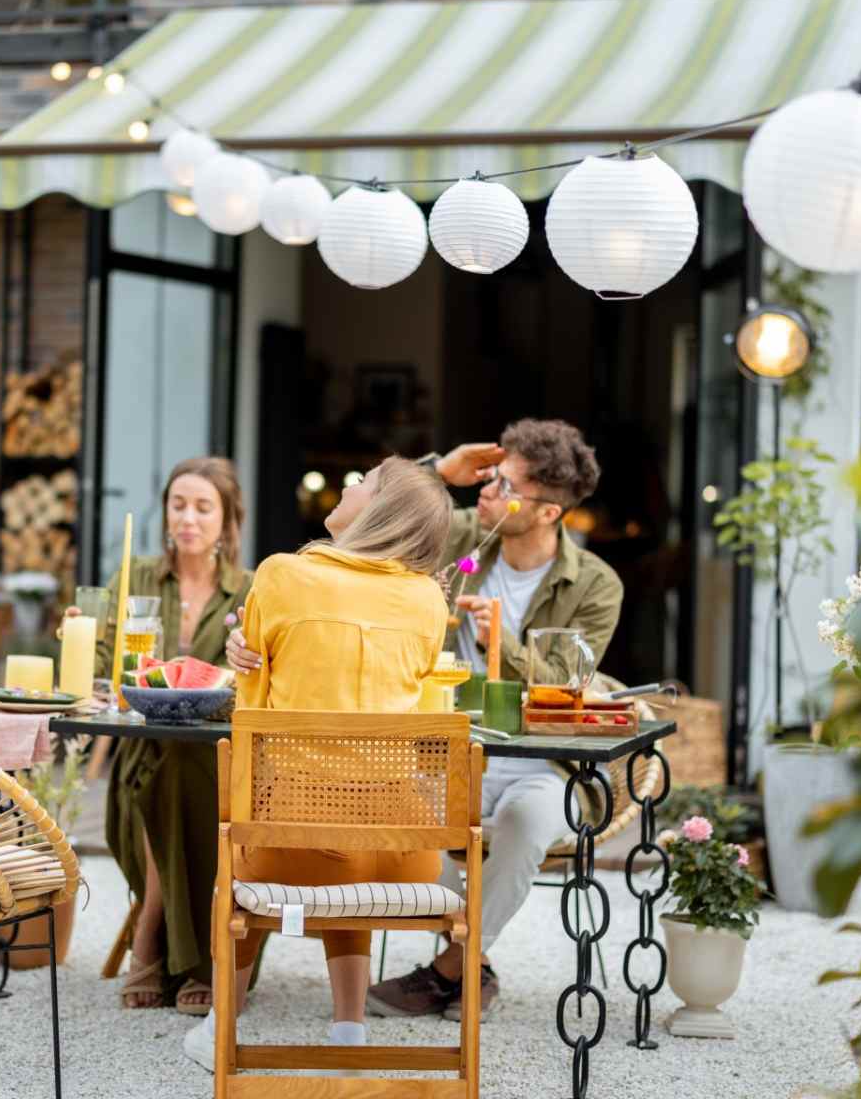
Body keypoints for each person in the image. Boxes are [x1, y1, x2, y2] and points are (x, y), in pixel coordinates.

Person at [184, 456, 453, 1073]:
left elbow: (251, 716)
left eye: (366, 480)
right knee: (348, 817)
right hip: (407, 854)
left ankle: (221, 1023)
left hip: (289, 851)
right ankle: (348, 1030)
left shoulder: (281, 575)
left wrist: (251, 649)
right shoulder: (427, 600)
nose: (351, 482)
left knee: (268, 824)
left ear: (380, 510)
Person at [366, 419, 624, 1022]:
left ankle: (447, 970)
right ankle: (470, 969)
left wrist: (500, 638)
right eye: (488, 476)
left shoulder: (595, 584)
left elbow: (565, 679)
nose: (485, 491)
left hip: (546, 765)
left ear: (546, 513)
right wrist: (437, 472)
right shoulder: (462, 537)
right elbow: (367, 517)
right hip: (451, 754)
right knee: (393, 807)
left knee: (525, 822)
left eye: (503, 484)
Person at [93, 457, 253, 1017]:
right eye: (178, 504)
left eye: (203, 507)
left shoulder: (249, 591)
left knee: (182, 774)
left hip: (217, 761)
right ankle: (198, 960)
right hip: (142, 752)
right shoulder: (134, 577)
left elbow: (254, 685)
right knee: (165, 776)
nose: (187, 517)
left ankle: (150, 940)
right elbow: (103, 662)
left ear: (228, 520)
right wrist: (82, 637)